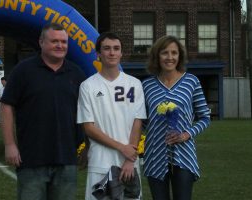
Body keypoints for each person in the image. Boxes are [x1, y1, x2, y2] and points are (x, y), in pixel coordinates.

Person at [0, 23, 85, 200]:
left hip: (67, 159)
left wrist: (86, 146)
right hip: (31, 158)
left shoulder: (76, 73)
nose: (60, 46)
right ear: (41, 42)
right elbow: (6, 105)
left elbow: (87, 113)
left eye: (63, 41)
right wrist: (9, 144)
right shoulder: (23, 70)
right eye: (54, 41)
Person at [77, 32, 147, 200]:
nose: (112, 53)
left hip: (128, 165)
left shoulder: (134, 84)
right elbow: (88, 127)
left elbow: (138, 122)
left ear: (121, 53)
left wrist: (130, 159)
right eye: (107, 48)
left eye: (116, 49)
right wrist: (121, 147)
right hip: (100, 163)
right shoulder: (87, 86)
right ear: (98, 54)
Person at [142, 35, 211, 200]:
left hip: (184, 154)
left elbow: (205, 118)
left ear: (180, 56)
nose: (170, 57)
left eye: (174, 53)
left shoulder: (191, 82)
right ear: (157, 56)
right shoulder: (146, 86)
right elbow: (142, 121)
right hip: (154, 154)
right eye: (165, 53)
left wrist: (185, 134)